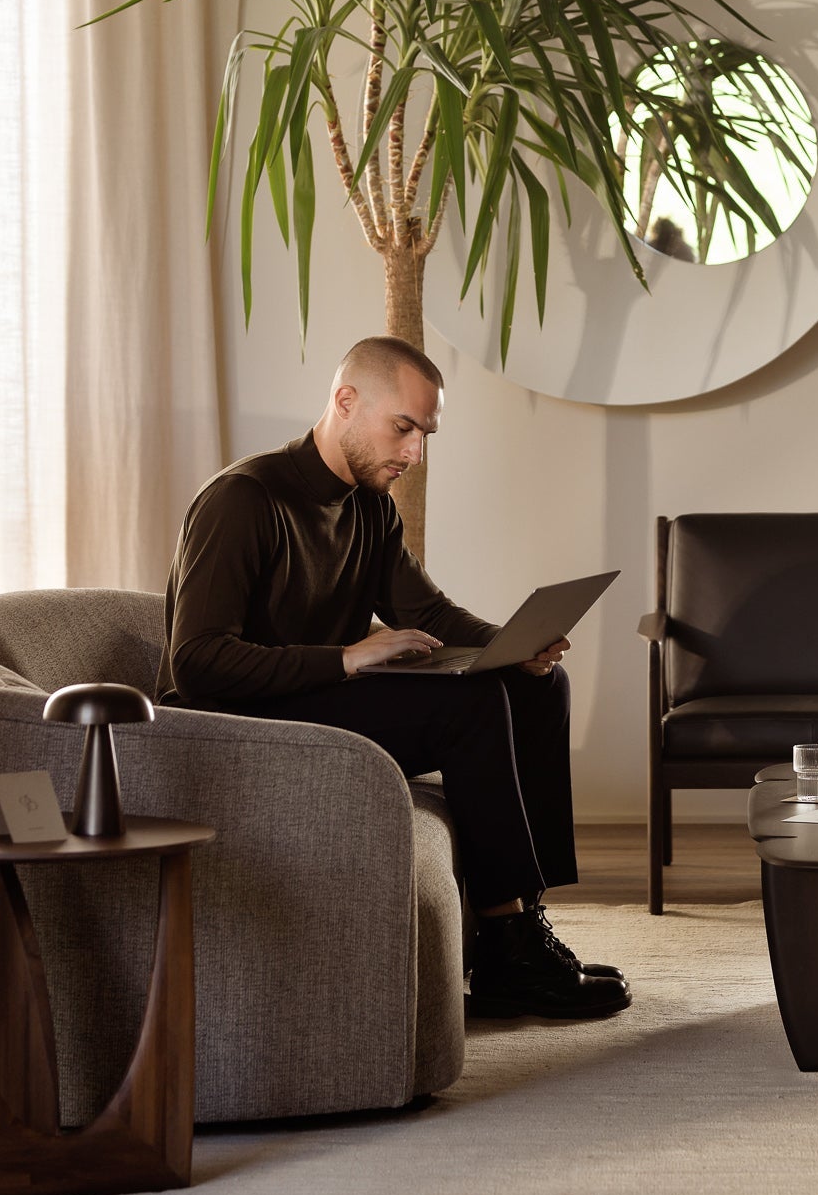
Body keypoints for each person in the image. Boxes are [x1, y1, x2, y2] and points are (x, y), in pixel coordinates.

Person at [157, 334, 629, 1020]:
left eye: (425, 433)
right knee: (463, 711)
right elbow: (194, 661)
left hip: (314, 700)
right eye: (402, 428)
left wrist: (513, 645)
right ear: (345, 402)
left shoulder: (371, 505)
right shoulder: (243, 500)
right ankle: (506, 946)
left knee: (535, 686)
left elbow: (426, 610)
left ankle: (523, 922)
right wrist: (347, 658)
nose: (414, 453)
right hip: (233, 726)